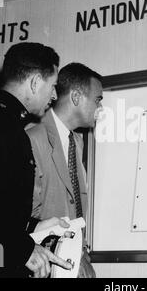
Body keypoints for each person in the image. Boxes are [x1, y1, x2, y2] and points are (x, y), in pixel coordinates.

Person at [0, 42, 73, 278]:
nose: (54, 95)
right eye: (52, 86)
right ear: (34, 83)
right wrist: (22, 250)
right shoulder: (1, 129)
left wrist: (34, 226)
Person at [26, 62, 103, 278]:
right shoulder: (32, 139)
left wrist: (80, 254)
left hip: (74, 262)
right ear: (76, 97)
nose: (101, 108)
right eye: (98, 99)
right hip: (45, 266)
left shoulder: (76, 142)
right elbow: (24, 218)